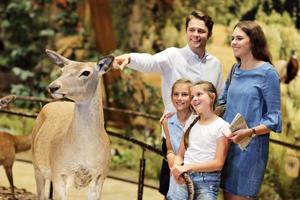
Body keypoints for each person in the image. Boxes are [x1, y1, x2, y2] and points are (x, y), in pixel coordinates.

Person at [112, 10, 225, 197]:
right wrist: (130, 58)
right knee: (173, 192)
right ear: (186, 31)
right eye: (192, 30)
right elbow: (150, 62)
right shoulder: (173, 55)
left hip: (203, 140)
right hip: (174, 135)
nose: (196, 35)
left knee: (201, 192)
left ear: (209, 34)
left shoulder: (215, 64)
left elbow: (219, 98)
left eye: (201, 31)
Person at [220, 21, 282, 200]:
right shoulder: (234, 70)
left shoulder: (268, 73)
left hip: (250, 152)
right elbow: (223, 103)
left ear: (253, 42)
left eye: (239, 38)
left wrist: (249, 132)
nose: (233, 42)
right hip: (228, 146)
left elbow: (274, 119)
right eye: (232, 38)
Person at [169, 81, 230, 200]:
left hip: (206, 183)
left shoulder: (222, 126)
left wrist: (188, 167)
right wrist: (176, 169)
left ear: (212, 97)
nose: (194, 99)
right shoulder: (191, 123)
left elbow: (218, 163)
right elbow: (180, 155)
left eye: (199, 94)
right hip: (183, 179)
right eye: (192, 96)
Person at [161, 79, 195, 199]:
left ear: (192, 98)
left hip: (195, 179)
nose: (179, 98)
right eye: (176, 94)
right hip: (176, 178)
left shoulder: (198, 121)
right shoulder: (167, 121)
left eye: (184, 94)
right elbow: (170, 150)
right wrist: (173, 166)